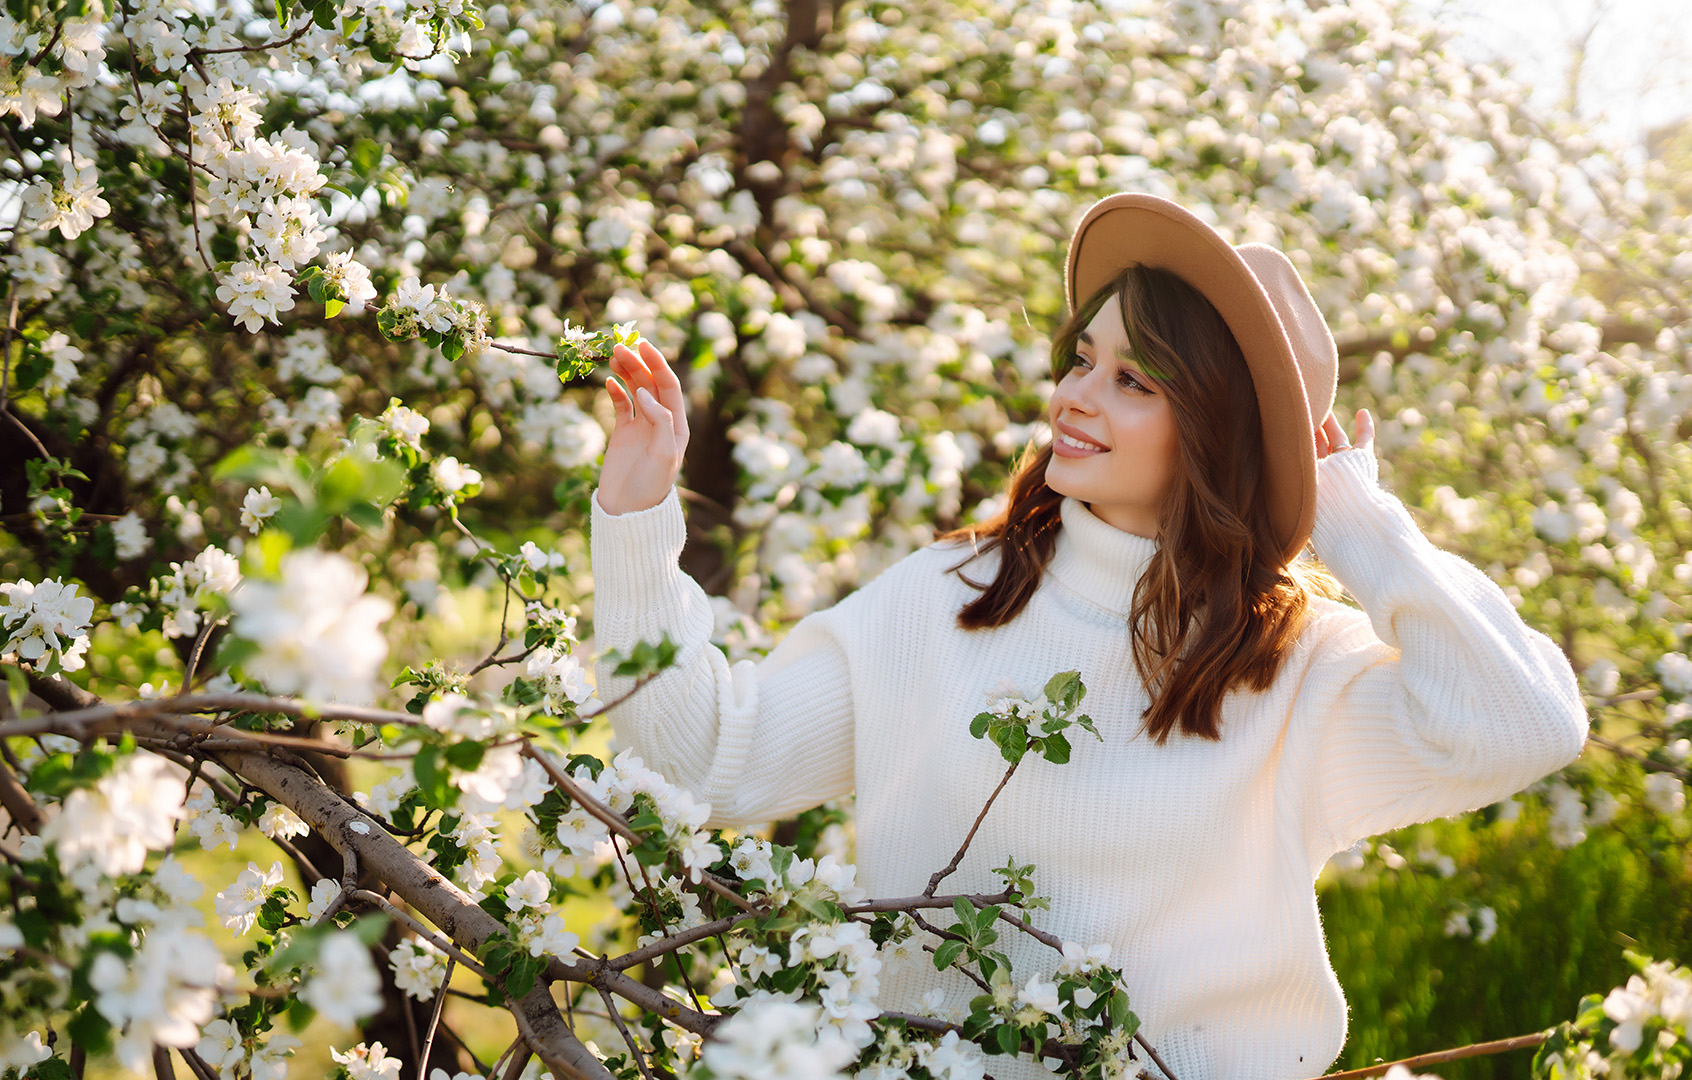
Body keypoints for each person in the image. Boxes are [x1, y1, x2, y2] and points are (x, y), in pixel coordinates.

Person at [585, 193, 1589, 1080]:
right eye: (1082, 358)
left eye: (1133, 381)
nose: (1073, 395)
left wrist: (1358, 522)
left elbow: (1525, 726)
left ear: (1216, 434)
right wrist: (635, 519)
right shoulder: (948, 597)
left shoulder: (1293, 666)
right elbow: (712, 758)